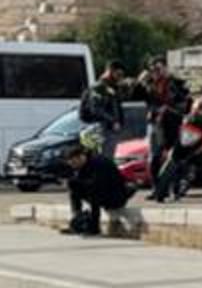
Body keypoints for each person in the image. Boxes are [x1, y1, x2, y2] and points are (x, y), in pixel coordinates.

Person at [63, 127, 141, 238]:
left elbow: (98, 186)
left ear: (81, 157)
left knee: (91, 190)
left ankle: (94, 227)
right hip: (102, 194)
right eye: (71, 164)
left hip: (116, 196)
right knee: (73, 186)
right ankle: (77, 219)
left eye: (74, 163)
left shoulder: (98, 163)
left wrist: (79, 183)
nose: (74, 166)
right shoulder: (82, 166)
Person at [143, 58, 190, 198]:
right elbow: (136, 96)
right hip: (156, 123)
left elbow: (185, 103)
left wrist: (170, 108)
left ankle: (177, 187)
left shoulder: (176, 83)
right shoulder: (149, 84)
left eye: (158, 69)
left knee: (175, 156)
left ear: (165, 68)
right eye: (153, 69)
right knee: (154, 157)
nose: (155, 72)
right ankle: (157, 188)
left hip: (172, 122)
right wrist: (141, 82)